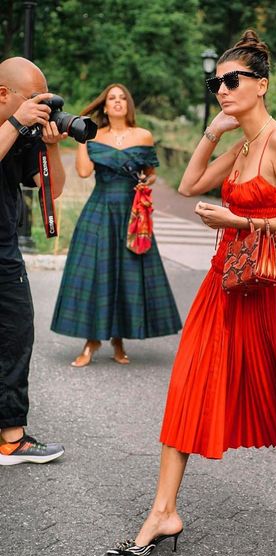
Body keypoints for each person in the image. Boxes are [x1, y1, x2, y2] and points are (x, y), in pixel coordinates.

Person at [107, 30, 276, 556]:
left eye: (232, 81)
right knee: (188, 384)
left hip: (272, 290)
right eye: (216, 82)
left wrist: (241, 219)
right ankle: (163, 512)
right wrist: (213, 130)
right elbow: (187, 185)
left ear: (262, 84)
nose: (222, 89)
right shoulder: (244, 142)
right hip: (224, 283)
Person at [50, 84, 182, 366]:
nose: (118, 102)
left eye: (123, 98)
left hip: (132, 214)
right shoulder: (94, 136)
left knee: (127, 274)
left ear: (128, 105)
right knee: (98, 274)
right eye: (112, 98)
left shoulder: (143, 136)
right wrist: (81, 139)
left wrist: (146, 183)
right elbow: (84, 172)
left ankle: (118, 340)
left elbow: (152, 174)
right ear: (105, 107)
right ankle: (92, 341)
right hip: (100, 211)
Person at [0, 57, 66, 465]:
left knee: (15, 336)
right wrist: (14, 123)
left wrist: (51, 147)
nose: (42, 106)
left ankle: (10, 436)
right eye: (34, 98)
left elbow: (51, 192)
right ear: (4, 94)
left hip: (4, 249)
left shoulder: (23, 136)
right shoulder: (12, 127)